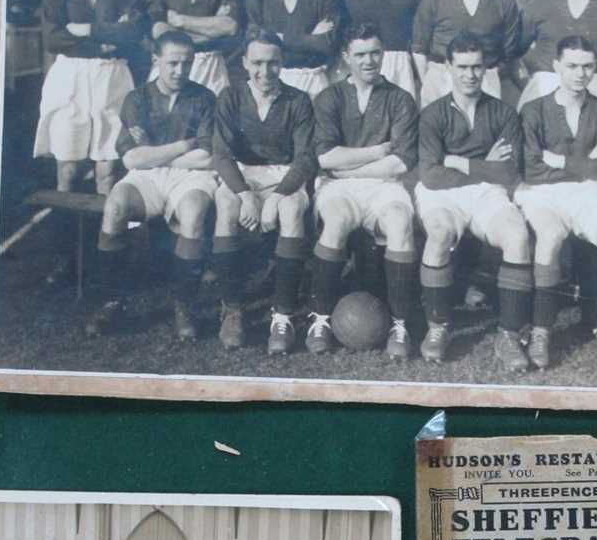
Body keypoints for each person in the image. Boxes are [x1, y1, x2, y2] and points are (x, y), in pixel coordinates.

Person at [515, 35, 597, 373]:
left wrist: (559, 160)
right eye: (572, 65)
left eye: (588, 66)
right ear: (557, 66)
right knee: (551, 235)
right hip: (541, 193)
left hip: (590, 191)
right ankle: (541, 331)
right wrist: (587, 158)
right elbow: (532, 168)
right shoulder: (533, 110)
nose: (580, 73)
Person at [85, 30, 219, 342]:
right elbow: (132, 159)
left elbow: (206, 157)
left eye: (187, 63)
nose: (180, 71)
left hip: (189, 177)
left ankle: (184, 305)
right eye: (172, 63)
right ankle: (112, 302)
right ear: (155, 60)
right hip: (148, 177)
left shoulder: (204, 98)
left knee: (194, 212)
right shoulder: (137, 99)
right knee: (115, 205)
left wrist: (156, 155)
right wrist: (185, 144)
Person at [414, 34, 532, 373]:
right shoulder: (433, 114)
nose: (470, 75)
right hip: (441, 194)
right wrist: (484, 165)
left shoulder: (503, 113)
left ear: (486, 68)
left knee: (517, 237)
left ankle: (508, 335)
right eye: (462, 67)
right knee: (438, 235)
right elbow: (432, 176)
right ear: (448, 67)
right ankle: (438, 328)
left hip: (487, 191)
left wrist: (457, 161)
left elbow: (509, 172)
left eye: (477, 67)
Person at [308, 24, 420, 359]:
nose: (369, 61)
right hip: (337, 186)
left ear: (383, 53)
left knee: (400, 222)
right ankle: (321, 318)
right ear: (346, 57)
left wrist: (348, 165)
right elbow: (325, 157)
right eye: (360, 54)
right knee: (338, 219)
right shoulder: (329, 97)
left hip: (384, 184)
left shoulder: (400, 99)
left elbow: (401, 162)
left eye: (375, 52)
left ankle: (401, 324)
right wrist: (375, 152)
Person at [211, 31, 317, 353]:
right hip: (243, 174)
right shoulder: (230, 97)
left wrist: (276, 196)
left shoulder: (298, 100)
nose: (265, 71)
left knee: (291, 210)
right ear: (244, 62)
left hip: (284, 175)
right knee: (226, 206)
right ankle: (232, 309)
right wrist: (245, 195)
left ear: (282, 63)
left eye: (273, 63)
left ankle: (282, 314)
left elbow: (306, 158)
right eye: (257, 63)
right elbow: (221, 155)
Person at [33, 0, 141, 199]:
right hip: (71, 76)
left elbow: (133, 33)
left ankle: (106, 239)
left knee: (107, 168)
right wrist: (109, 33)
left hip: (112, 76)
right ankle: (63, 235)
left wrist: (87, 29)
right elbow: (53, 39)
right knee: (68, 166)